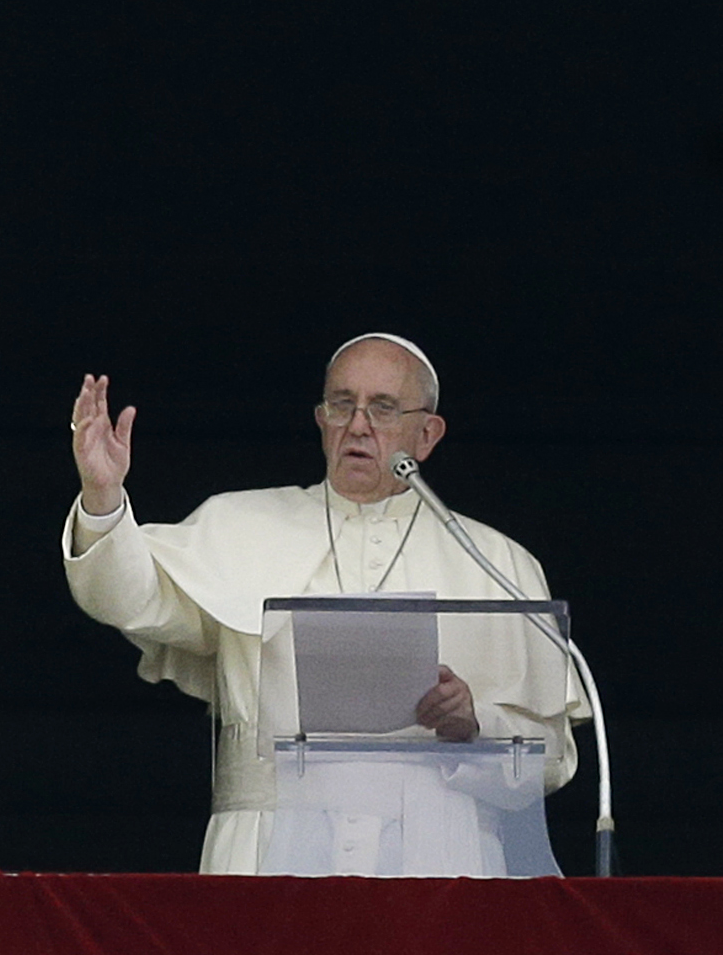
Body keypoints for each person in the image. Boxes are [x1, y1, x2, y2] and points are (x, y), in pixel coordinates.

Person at [63, 333, 587, 874]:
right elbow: (129, 597)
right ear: (321, 419)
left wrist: (474, 724)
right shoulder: (240, 524)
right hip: (263, 853)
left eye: (383, 408)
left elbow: (550, 760)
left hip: (442, 857)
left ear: (427, 434)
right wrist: (103, 498)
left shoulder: (494, 561)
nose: (358, 425)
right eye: (342, 404)